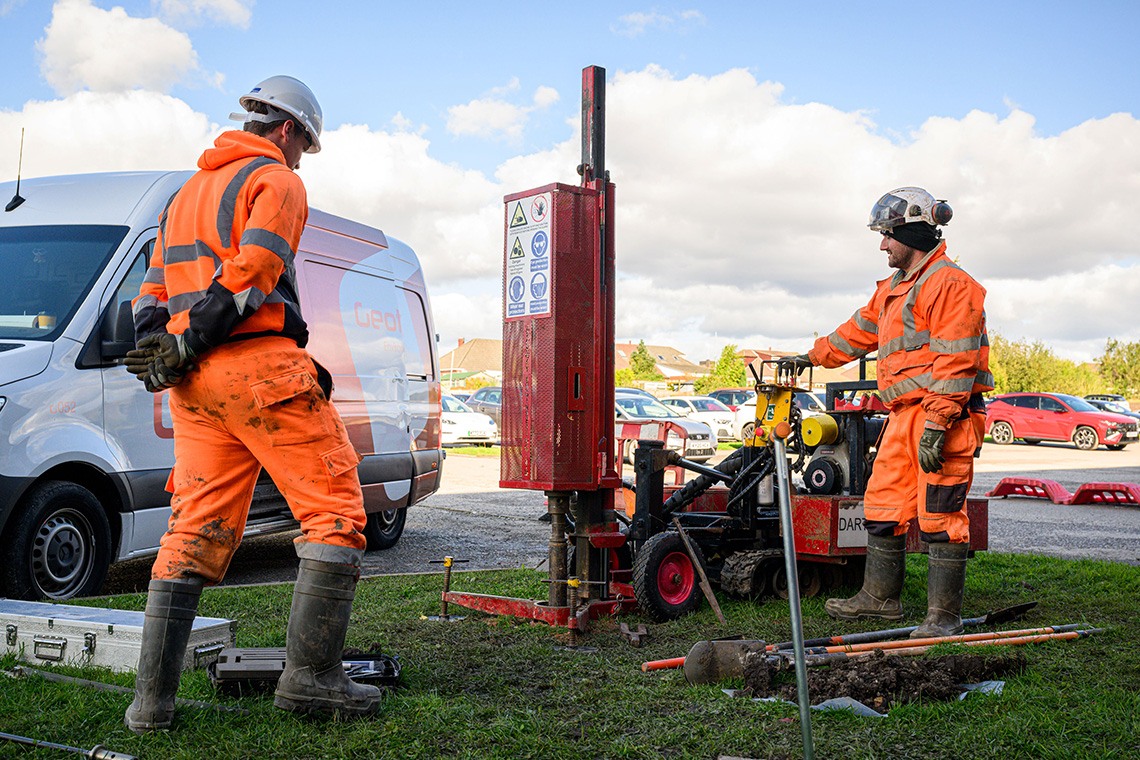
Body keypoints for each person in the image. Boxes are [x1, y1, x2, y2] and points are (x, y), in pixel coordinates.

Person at [123, 75, 382, 733]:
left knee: (194, 527)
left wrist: (164, 347)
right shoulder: (277, 183)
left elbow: (150, 289)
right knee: (335, 512)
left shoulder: (185, 194)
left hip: (195, 386)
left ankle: (151, 706)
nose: (301, 162)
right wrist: (198, 337)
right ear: (289, 131)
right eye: (304, 148)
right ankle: (311, 682)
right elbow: (253, 272)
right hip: (256, 369)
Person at [782, 186, 991, 639]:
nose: (882, 245)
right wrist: (811, 357)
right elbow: (857, 331)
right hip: (903, 414)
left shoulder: (952, 285)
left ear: (911, 233)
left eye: (887, 236)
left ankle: (943, 618)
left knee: (939, 512)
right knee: (883, 503)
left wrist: (937, 424)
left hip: (944, 416)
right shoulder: (895, 289)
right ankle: (879, 600)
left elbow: (956, 362)